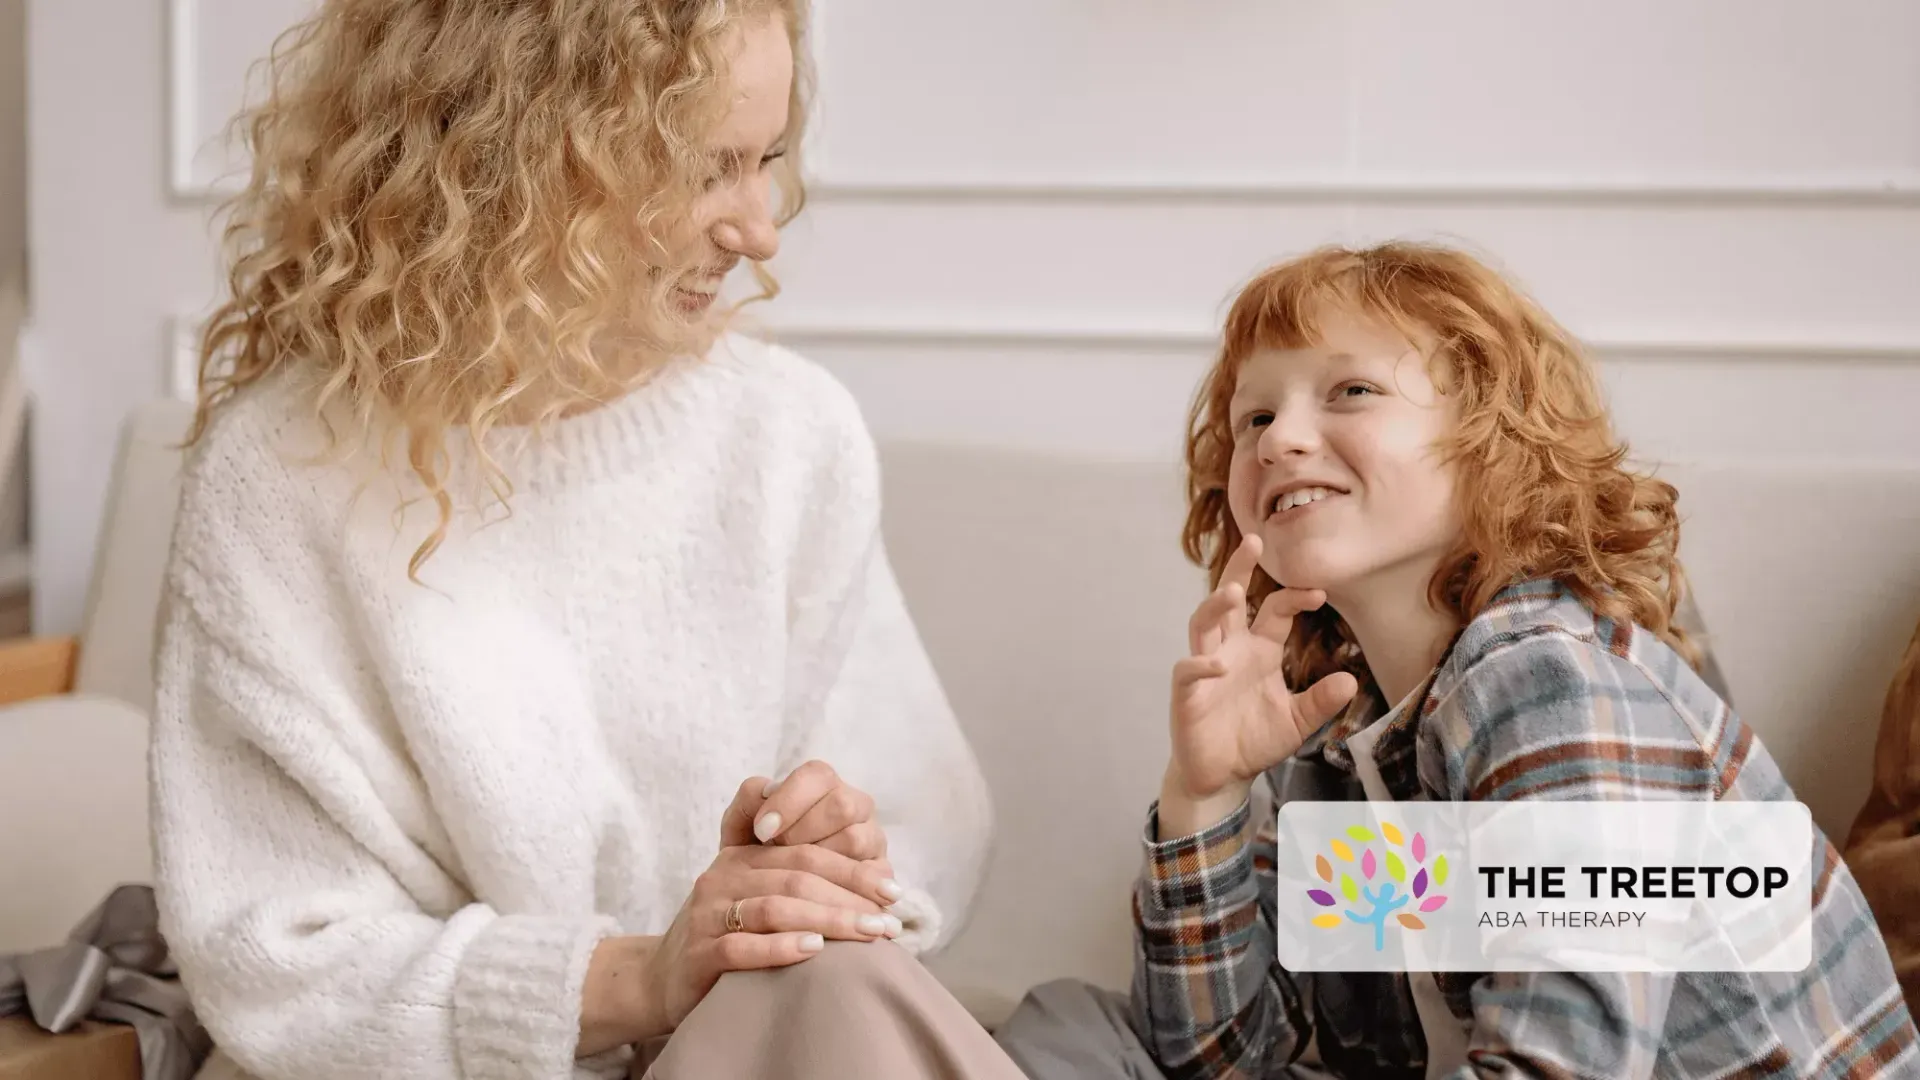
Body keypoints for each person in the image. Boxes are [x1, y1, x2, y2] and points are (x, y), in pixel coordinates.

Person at [147, 2, 1022, 1078]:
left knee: (841, 982)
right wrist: (631, 979)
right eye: (707, 171)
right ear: (519, 166)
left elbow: (922, 825)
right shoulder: (278, 479)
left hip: (757, 1047)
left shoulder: (790, 435)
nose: (759, 231)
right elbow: (273, 961)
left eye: (771, 160)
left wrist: (839, 864)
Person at [994, 242, 1918, 1078]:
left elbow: (1567, 1066)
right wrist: (1207, 790)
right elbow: (1221, 1060)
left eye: (1351, 391)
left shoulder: (1551, 678)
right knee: (1072, 1024)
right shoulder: (1339, 735)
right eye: (1254, 417)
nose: (1277, 438)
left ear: (1496, 446)